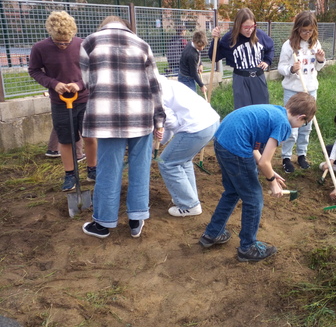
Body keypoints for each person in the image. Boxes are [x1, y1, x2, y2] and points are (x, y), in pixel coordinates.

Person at [200, 92, 317, 262]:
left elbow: (258, 152)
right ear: (302, 117)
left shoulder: (275, 111)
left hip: (221, 141)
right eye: (303, 124)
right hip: (235, 148)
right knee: (254, 199)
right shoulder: (284, 125)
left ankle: (212, 233)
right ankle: (248, 248)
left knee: (232, 191)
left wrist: (271, 171)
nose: (300, 126)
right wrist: (272, 183)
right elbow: (264, 163)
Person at [80, 16, 165, 239]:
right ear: (128, 28)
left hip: (108, 118)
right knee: (140, 168)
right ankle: (136, 220)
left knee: (108, 170)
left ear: (103, 25)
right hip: (141, 117)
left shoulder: (90, 42)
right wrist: (159, 121)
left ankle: (103, 224)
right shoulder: (142, 44)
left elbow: (88, 81)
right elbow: (154, 86)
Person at [28, 10, 97, 191]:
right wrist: (53, 83)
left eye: (67, 42)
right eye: (59, 42)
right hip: (59, 102)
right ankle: (70, 175)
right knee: (66, 140)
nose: (63, 45)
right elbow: (34, 70)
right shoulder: (40, 48)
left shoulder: (83, 45)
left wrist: (80, 84)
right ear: (51, 34)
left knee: (90, 136)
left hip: (85, 99)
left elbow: (94, 71)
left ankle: (93, 169)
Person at [156, 75, 220, 217]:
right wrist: (162, 139)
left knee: (167, 162)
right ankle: (187, 195)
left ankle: (189, 205)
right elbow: (170, 124)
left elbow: (172, 124)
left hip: (195, 128)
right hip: (211, 122)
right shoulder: (169, 85)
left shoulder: (155, 94)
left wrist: (160, 142)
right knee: (183, 160)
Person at [278, 11, 326, 173]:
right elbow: (280, 68)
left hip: (310, 90)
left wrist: (320, 60)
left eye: (310, 31)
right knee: (292, 126)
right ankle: (286, 157)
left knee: (307, 125)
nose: (307, 34)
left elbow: (318, 68)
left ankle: (301, 155)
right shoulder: (289, 45)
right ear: (297, 29)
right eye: (304, 30)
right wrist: (291, 69)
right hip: (293, 92)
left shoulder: (315, 44)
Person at [209, 8, 274, 109]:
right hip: (240, 79)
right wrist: (215, 41)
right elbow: (215, 56)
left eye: (252, 26)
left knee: (262, 108)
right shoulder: (229, 38)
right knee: (243, 110)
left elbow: (270, 48)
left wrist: (267, 61)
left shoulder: (259, 35)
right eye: (246, 27)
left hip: (258, 77)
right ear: (238, 26)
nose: (250, 30)